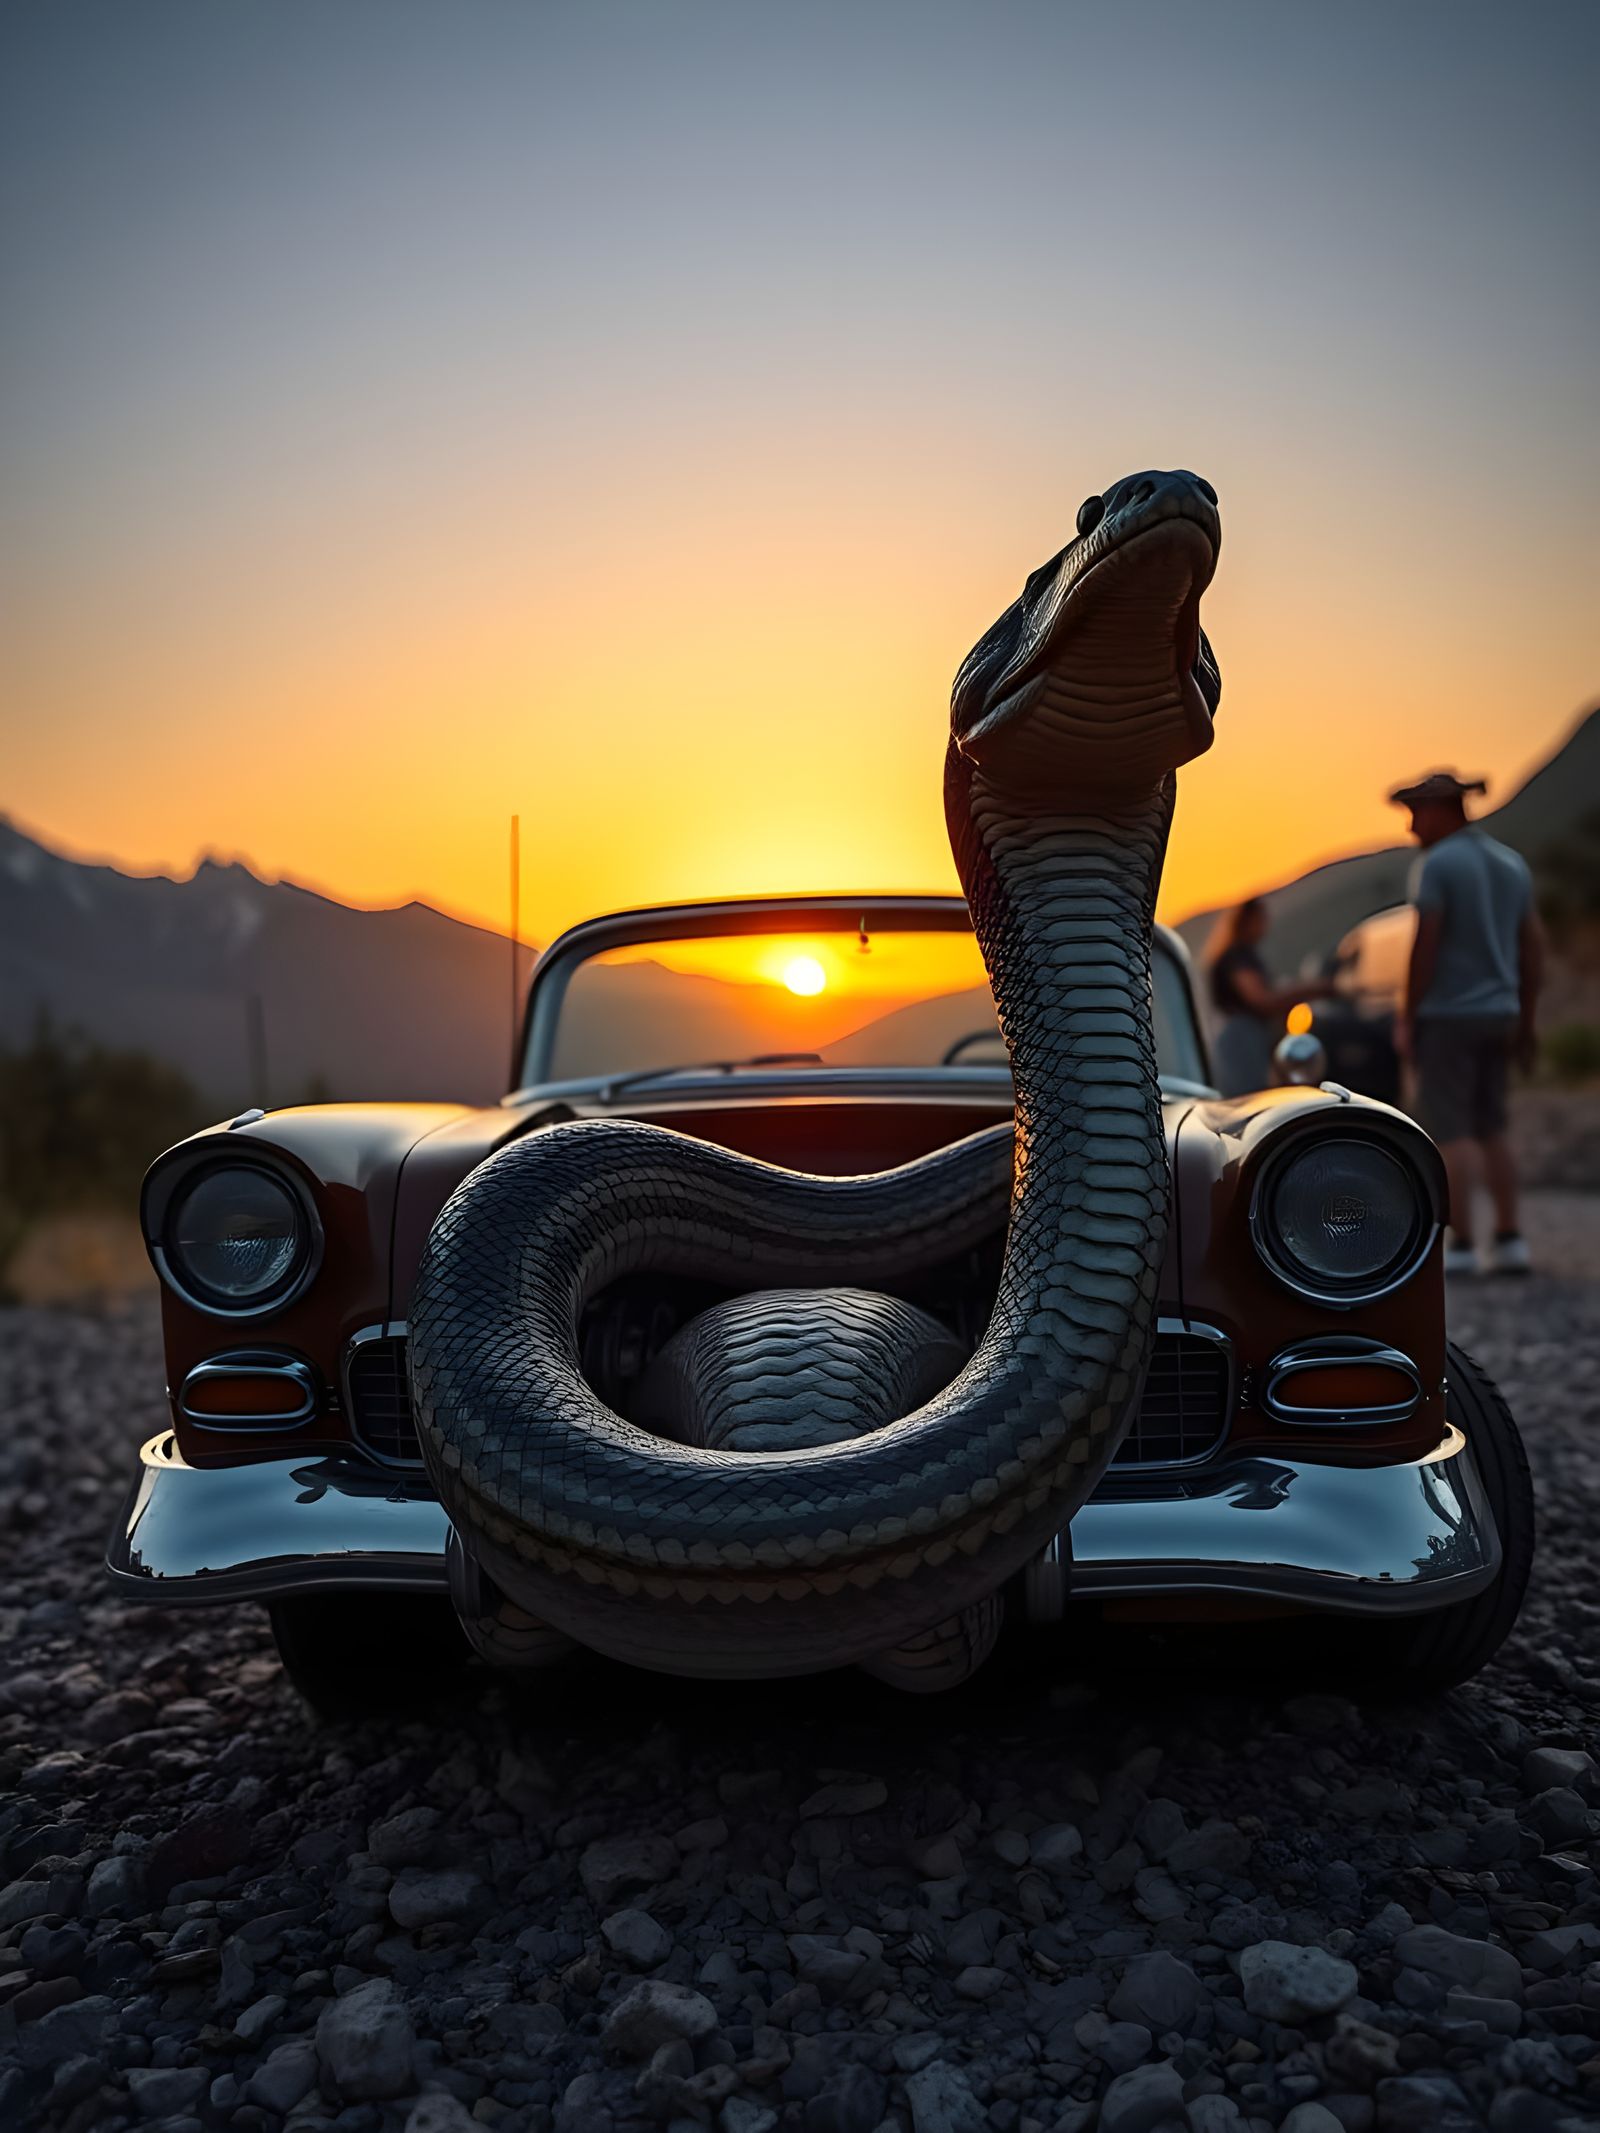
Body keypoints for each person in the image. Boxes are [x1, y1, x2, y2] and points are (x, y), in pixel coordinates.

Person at [1390, 769, 1544, 1276]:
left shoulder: (1438, 866)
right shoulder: (1511, 864)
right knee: (1492, 1127)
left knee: (1450, 1129)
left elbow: (1425, 947)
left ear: (1442, 809)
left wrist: (1408, 1017)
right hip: (1501, 1012)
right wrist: (1527, 1018)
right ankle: (1510, 1238)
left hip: (1449, 1015)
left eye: (1417, 813)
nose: (1412, 827)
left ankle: (1460, 1246)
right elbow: (1532, 949)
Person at [1204, 896, 1334, 1096]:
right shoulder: (1238, 957)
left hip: (1246, 1035)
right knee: (1249, 1099)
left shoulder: (1239, 955)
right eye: (1260, 919)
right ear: (1248, 921)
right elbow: (1261, 999)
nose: (1264, 925)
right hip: (1242, 1038)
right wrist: (1312, 989)